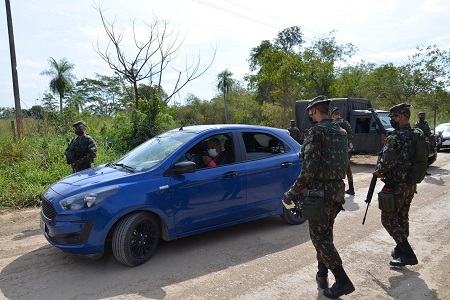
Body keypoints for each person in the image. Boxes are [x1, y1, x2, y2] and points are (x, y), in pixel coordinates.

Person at [282, 95, 354, 299]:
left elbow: (308, 172)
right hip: (337, 192)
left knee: (320, 239)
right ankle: (322, 276)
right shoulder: (341, 131)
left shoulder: (316, 132)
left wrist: (290, 193)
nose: (309, 116)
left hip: (319, 195)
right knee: (325, 236)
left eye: (309, 112)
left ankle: (342, 281)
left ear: (314, 111)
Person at [372, 103, 419, 267]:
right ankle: (400, 250)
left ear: (400, 117)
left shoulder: (396, 137)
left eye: (393, 117)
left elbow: (387, 162)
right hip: (411, 184)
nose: (391, 120)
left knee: (388, 219)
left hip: (397, 185)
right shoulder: (417, 135)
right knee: (402, 216)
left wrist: (380, 171)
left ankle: (408, 254)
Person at [330, 107, 355, 195]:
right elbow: (351, 135)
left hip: (339, 150)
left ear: (333, 115)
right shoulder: (345, 122)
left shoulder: (335, 124)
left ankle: (338, 190)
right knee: (347, 168)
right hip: (347, 149)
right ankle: (351, 188)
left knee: (336, 168)